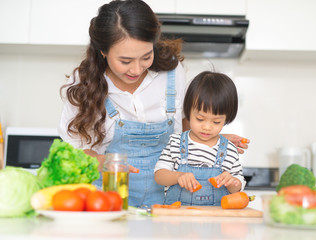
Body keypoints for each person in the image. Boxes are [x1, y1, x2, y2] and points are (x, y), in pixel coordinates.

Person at [59, 0, 248, 208]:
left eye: (146, 57)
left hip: (166, 198)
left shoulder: (171, 71)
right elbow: (74, 148)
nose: (137, 69)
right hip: (108, 195)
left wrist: (210, 135)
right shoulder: (83, 83)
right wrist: (103, 162)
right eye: (125, 61)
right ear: (103, 51)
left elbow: (179, 126)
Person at [154, 71, 246, 206]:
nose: (207, 127)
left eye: (216, 122)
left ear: (227, 119)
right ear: (188, 111)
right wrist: (178, 176)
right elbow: (159, 175)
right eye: (200, 119)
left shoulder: (230, 150)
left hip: (215, 222)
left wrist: (232, 182)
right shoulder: (175, 142)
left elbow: (238, 185)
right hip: (177, 220)